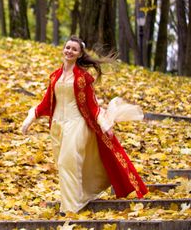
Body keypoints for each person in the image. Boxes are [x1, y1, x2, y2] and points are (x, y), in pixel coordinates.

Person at [21, 35, 148, 214]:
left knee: (67, 162)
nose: (69, 51)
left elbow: (92, 105)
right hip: (58, 125)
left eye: (74, 49)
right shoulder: (55, 76)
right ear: (63, 49)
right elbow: (45, 103)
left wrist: (105, 125)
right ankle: (79, 197)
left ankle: (70, 208)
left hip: (77, 124)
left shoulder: (83, 78)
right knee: (63, 164)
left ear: (80, 54)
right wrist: (29, 119)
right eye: (67, 47)